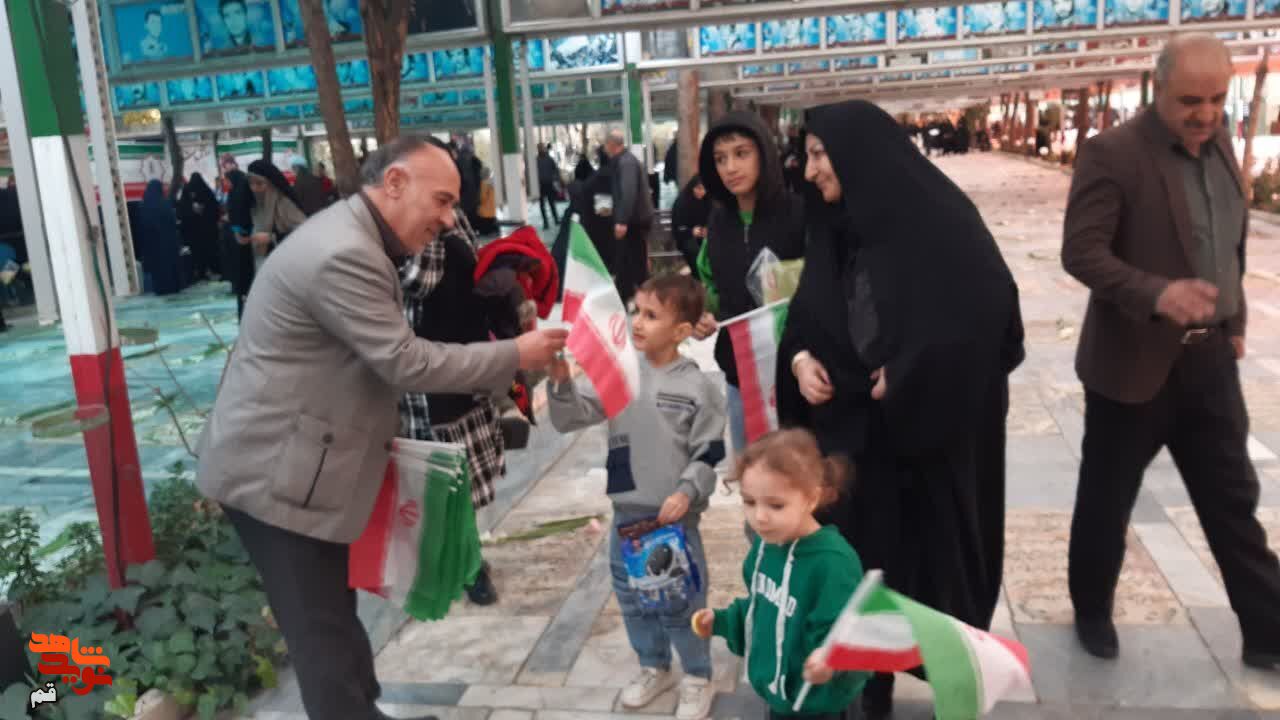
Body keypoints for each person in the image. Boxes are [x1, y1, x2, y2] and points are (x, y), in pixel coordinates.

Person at [196, 136, 570, 720]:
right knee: (321, 636)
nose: (448, 218)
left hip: (302, 465)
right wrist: (515, 355)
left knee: (336, 620)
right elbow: (406, 362)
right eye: (442, 200)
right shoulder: (344, 252)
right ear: (394, 183)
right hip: (274, 477)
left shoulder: (358, 238)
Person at [781, 100, 1024, 718]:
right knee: (863, 574)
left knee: (939, 581)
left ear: (859, 153)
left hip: (930, 448)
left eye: (819, 155)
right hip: (858, 450)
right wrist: (801, 360)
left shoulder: (941, 222)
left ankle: (958, 686)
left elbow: (991, 319)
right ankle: (871, 690)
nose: (809, 171)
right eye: (807, 156)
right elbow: (806, 318)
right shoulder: (831, 228)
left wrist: (913, 369)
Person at [1061, 34, 1280, 671]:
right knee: (1106, 501)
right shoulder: (1112, 154)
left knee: (1232, 501)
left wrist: (1233, 317)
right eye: (1190, 101)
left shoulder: (1221, 144)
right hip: (1130, 365)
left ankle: (1268, 632)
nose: (1206, 114)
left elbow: (1225, 239)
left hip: (1209, 364)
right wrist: (1157, 294)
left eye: (1216, 99)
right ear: (1157, 89)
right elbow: (1082, 252)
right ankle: (1092, 612)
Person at [548, 274, 725, 720]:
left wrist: (687, 490)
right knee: (632, 597)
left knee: (681, 599)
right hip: (627, 514)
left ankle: (697, 674)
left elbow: (709, 451)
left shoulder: (699, 388)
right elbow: (571, 417)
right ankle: (654, 666)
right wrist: (561, 384)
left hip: (673, 519)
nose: (637, 322)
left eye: (651, 315)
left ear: (682, 331)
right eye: (635, 311)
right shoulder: (618, 372)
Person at [691, 429, 868, 720]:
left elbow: (855, 636)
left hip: (822, 706)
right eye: (749, 501)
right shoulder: (766, 546)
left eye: (776, 505)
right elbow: (762, 608)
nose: (759, 516)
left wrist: (832, 662)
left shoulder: (833, 563)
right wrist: (721, 621)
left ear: (811, 498)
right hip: (780, 699)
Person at [398, 208, 517, 606]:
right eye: (440, 198)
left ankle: (468, 560)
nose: (449, 208)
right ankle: (466, 568)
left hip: (466, 366)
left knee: (463, 480)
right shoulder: (406, 234)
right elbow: (419, 281)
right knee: (445, 482)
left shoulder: (454, 220)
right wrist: (434, 227)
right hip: (430, 377)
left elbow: (476, 268)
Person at [694, 110, 806, 456]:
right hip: (741, 375)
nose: (730, 168)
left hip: (798, 374)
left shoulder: (799, 215)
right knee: (753, 470)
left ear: (764, 154)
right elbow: (712, 286)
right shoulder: (718, 222)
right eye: (720, 159)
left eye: (741, 153)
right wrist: (702, 314)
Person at [605, 128, 654, 305]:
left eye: (606, 145)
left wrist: (622, 220)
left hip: (635, 221)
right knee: (626, 261)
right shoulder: (626, 161)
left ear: (611, 144)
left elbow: (628, 192)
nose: (605, 149)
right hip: (634, 220)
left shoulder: (626, 163)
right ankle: (624, 296)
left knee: (636, 263)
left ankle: (646, 299)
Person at [246, 159, 308, 275]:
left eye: (259, 183)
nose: (254, 188)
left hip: (289, 266)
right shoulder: (256, 204)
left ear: (271, 183)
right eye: (251, 183)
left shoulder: (283, 203)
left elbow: (305, 231)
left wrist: (272, 237)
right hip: (266, 265)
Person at [139, 180, 184, 295]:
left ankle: (161, 288)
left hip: (153, 244)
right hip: (168, 242)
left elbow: (142, 226)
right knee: (170, 266)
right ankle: (173, 287)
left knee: (158, 269)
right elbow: (172, 223)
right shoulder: (165, 204)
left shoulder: (144, 206)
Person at [176, 172, 221, 281]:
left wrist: (194, 212)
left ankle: (201, 272)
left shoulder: (187, 190)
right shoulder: (206, 191)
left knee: (198, 253)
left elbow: (181, 212)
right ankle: (212, 271)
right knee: (209, 251)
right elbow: (215, 210)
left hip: (195, 232)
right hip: (207, 231)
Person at [670, 175, 710, 273]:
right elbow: (678, 228)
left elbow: (712, 219)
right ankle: (698, 275)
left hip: (704, 236)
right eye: (699, 188)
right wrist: (691, 232)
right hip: (686, 237)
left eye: (704, 189)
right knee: (693, 249)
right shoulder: (682, 202)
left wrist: (707, 229)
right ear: (692, 187)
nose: (702, 192)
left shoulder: (707, 200)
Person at [536, 143, 562, 230]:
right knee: (542, 205)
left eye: (542, 148)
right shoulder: (536, 160)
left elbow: (555, 170)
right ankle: (545, 222)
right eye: (539, 148)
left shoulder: (549, 159)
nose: (541, 149)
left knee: (551, 203)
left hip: (549, 184)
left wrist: (555, 179)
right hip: (540, 185)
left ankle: (555, 219)